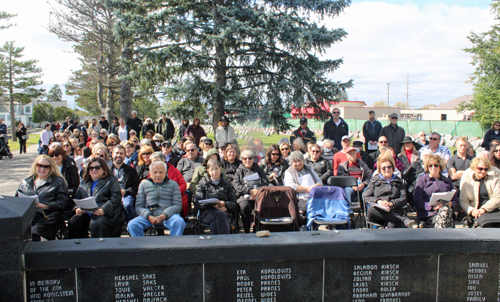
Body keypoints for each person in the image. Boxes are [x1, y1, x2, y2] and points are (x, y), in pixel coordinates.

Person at [16, 155, 69, 240]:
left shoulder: (58, 181)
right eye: (40, 165)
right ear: (35, 166)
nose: (42, 169)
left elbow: (63, 202)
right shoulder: (26, 183)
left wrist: (46, 206)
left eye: (46, 167)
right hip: (29, 216)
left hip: (49, 217)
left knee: (34, 231)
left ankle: (34, 252)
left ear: (51, 168)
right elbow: (15, 200)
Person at [68, 158, 125, 238]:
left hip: (106, 214)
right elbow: (76, 199)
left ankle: (98, 248)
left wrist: (104, 210)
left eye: (97, 167)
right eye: (91, 168)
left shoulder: (111, 180)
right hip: (87, 213)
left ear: (103, 169)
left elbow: (116, 198)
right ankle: (78, 247)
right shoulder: (83, 182)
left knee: (97, 223)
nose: (94, 170)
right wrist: (77, 209)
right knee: (75, 221)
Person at [127, 161, 186, 236]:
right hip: (149, 215)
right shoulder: (143, 185)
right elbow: (139, 206)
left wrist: (165, 214)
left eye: (161, 172)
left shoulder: (173, 184)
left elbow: (177, 205)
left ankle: (174, 245)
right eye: (155, 172)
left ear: (165, 173)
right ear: (150, 173)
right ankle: (141, 245)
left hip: (168, 216)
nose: (158, 175)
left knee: (179, 222)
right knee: (132, 224)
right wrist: (148, 216)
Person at [364, 153, 414, 228]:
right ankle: (403, 219)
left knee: (392, 225)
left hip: (393, 209)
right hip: (378, 212)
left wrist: (390, 204)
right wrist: (379, 201)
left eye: (389, 167)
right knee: (371, 210)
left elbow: (403, 199)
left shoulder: (398, 181)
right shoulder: (374, 180)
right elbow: (366, 196)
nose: (387, 169)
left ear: (393, 168)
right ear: (380, 170)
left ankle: (398, 219)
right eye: (384, 168)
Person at [193, 158, 237, 235]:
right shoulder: (203, 183)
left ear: (220, 169)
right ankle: (226, 242)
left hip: (225, 212)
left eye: (216, 169)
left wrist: (224, 203)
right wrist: (214, 206)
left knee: (215, 224)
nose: (214, 172)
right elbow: (197, 203)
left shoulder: (226, 184)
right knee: (220, 215)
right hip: (207, 213)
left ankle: (216, 245)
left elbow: (234, 203)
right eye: (212, 169)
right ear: (208, 171)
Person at [414, 154, 458, 228]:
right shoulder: (422, 181)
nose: (433, 168)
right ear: (427, 167)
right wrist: (431, 207)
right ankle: (443, 235)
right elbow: (417, 201)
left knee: (445, 210)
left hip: (446, 212)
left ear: (440, 167)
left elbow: (456, 200)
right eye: (430, 165)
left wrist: (451, 204)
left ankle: (439, 234)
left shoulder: (446, 181)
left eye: (436, 165)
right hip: (429, 213)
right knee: (445, 214)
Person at [233, 149, 269, 233]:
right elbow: (236, 185)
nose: (247, 160)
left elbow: (265, 182)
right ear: (242, 160)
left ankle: (258, 228)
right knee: (245, 206)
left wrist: (257, 191)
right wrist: (249, 190)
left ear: (253, 159)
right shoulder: (239, 171)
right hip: (244, 195)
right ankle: (246, 230)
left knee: (262, 206)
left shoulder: (259, 169)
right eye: (245, 158)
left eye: (250, 158)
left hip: (257, 195)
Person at [460, 157, 500, 228]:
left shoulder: (495, 179)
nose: (483, 171)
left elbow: (497, 197)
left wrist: (484, 209)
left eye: (486, 169)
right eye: (480, 169)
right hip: (476, 211)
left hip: (494, 209)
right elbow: (463, 201)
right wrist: (472, 211)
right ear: (474, 168)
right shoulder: (467, 182)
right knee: (487, 224)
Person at [284, 151, 322, 218]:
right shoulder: (289, 172)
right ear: (291, 163)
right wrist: (308, 189)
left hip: (314, 194)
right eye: (295, 162)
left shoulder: (308, 168)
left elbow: (319, 181)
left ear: (303, 161)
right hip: (300, 197)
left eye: (299, 161)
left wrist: (316, 186)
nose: (298, 163)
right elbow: (291, 185)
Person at [111, 145, 140, 223]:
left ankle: (131, 226)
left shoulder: (131, 170)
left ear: (124, 156)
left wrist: (125, 191)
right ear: (112, 154)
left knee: (127, 205)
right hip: (110, 195)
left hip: (125, 194)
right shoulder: (106, 170)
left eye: (121, 153)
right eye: (117, 153)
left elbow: (136, 186)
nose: (118, 155)